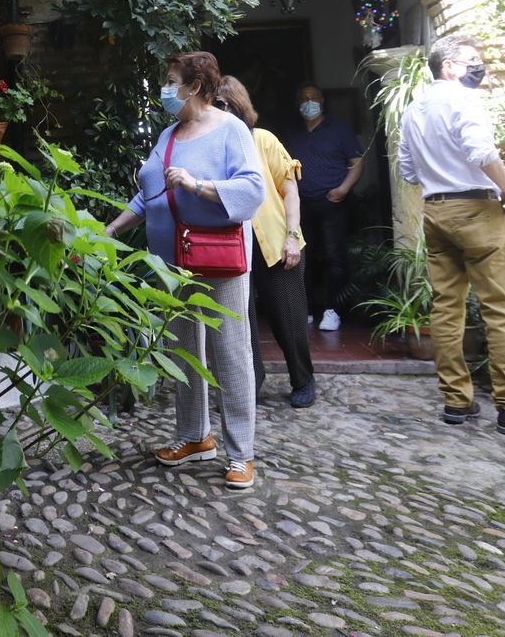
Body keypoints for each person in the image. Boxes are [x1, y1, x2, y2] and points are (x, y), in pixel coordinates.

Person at [106, 52, 266, 490]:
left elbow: (253, 190)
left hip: (219, 259)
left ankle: (241, 453)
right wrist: (111, 230)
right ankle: (195, 437)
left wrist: (198, 185)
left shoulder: (231, 130)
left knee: (231, 354)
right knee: (183, 353)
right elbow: (150, 195)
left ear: (194, 86)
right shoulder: (169, 133)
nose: (165, 88)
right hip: (171, 261)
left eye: (171, 80)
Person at [397, 34, 505, 436]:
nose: (479, 66)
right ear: (449, 66)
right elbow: (481, 152)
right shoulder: (464, 99)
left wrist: (438, 173)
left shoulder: (412, 110)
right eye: (472, 60)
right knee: (503, 308)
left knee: (447, 307)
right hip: (478, 208)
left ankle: (456, 401)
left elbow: (407, 171)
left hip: (436, 210)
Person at [215, 76, 317, 409]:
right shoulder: (213, 146)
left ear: (238, 106)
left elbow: (290, 191)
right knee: (240, 321)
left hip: (275, 242)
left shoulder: (262, 140)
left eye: (224, 105)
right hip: (232, 245)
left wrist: (292, 237)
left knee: (287, 316)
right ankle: (251, 382)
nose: (219, 112)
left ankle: (303, 379)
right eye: (215, 106)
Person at [283, 84, 364, 332]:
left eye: (314, 98)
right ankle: (306, 307)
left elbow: (357, 162)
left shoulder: (339, 130)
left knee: (334, 256)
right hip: (301, 205)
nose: (309, 103)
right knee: (303, 257)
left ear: (322, 101)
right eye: (304, 98)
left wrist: (344, 189)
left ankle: (333, 310)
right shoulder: (292, 133)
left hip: (332, 204)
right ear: (297, 103)